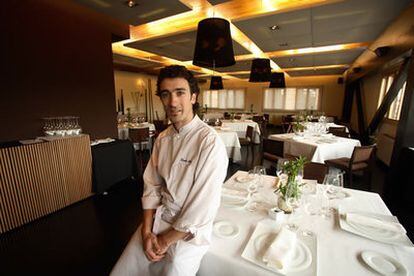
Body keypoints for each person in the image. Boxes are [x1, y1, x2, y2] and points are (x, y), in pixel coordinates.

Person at [111, 65, 228, 276]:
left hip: (190, 232)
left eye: (180, 93)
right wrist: (146, 232)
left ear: (193, 96)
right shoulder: (162, 139)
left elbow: (202, 207)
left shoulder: (209, 142)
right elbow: (152, 187)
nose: (173, 102)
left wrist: (164, 241)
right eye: (166, 94)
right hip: (159, 220)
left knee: (174, 269)